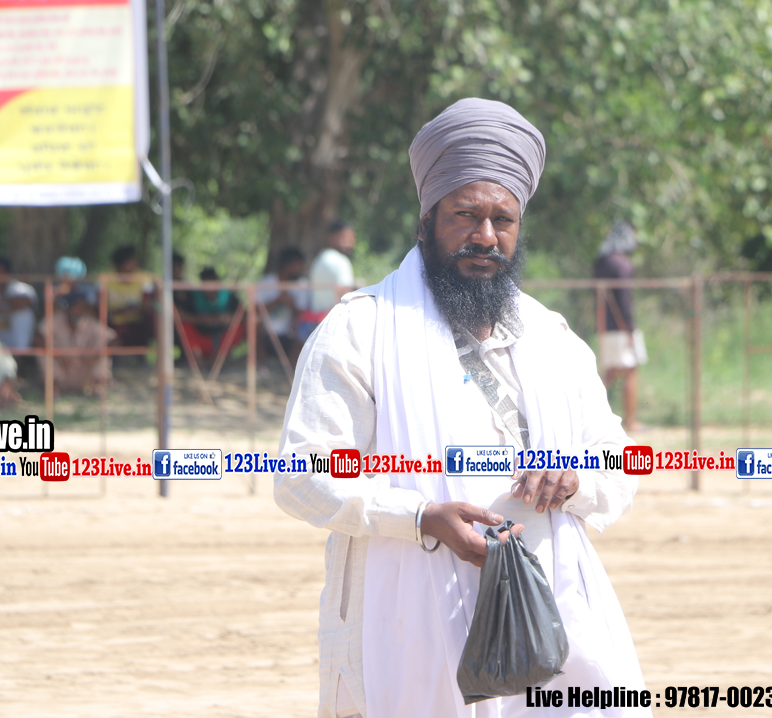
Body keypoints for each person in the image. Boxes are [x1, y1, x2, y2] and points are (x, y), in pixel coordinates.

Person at [274, 98, 649, 718]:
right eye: (466, 215)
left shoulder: (553, 339)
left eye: (503, 219)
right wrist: (421, 517)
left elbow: (620, 461)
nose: (486, 236)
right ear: (426, 221)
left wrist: (576, 479)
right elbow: (301, 477)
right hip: (402, 634)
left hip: (546, 630)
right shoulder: (361, 331)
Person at [593, 221, 642, 432]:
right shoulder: (622, 264)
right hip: (621, 327)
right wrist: (629, 329)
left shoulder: (601, 263)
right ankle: (631, 421)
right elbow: (624, 301)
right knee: (631, 371)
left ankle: (588, 416)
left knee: (610, 373)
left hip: (604, 325)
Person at [36, 290, 115, 395]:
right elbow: (38, 337)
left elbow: (113, 339)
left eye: (83, 307)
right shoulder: (55, 319)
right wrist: (60, 356)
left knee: (104, 355)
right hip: (62, 371)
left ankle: (97, 387)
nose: (80, 310)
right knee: (42, 354)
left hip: (84, 371)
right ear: (68, 307)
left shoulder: (90, 322)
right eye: (77, 306)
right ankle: (53, 389)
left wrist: (93, 355)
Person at [301, 220, 356, 340]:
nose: (350, 243)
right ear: (332, 237)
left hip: (314, 323)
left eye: (351, 238)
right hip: (333, 324)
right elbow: (345, 293)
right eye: (345, 238)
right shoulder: (341, 261)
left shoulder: (320, 259)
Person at [256, 247, 309, 362]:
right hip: (267, 333)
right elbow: (255, 310)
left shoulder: (302, 284)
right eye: (298, 266)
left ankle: (291, 367)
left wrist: (291, 305)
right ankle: (261, 363)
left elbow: (302, 313)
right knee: (254, 321)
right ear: (286, 266)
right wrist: (277, 301)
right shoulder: (266, 282)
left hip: (290, 334)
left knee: (304, 324)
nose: (301, 270)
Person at [105, 245, 154, 347]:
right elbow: (99, 306)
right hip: (112, 323)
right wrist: (118, 312)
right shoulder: (106, 279)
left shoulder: (144, 278)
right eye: (131, 261)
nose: (135, 264)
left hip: (138, 323)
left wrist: (137, 310)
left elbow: (147, 304)